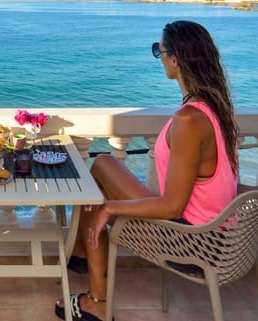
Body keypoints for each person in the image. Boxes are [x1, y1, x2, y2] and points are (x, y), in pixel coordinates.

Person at [56, 20, 240, 321]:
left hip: (191, 241)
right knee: (102, 167)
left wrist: (111, 208)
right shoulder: (219, 110)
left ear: (175, 60)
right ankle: (81, 258)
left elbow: (172, 206)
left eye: (159, 50)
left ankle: (95, 294)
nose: (159, 57)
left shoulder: (189, 120)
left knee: (99, 186)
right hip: (217, 235)